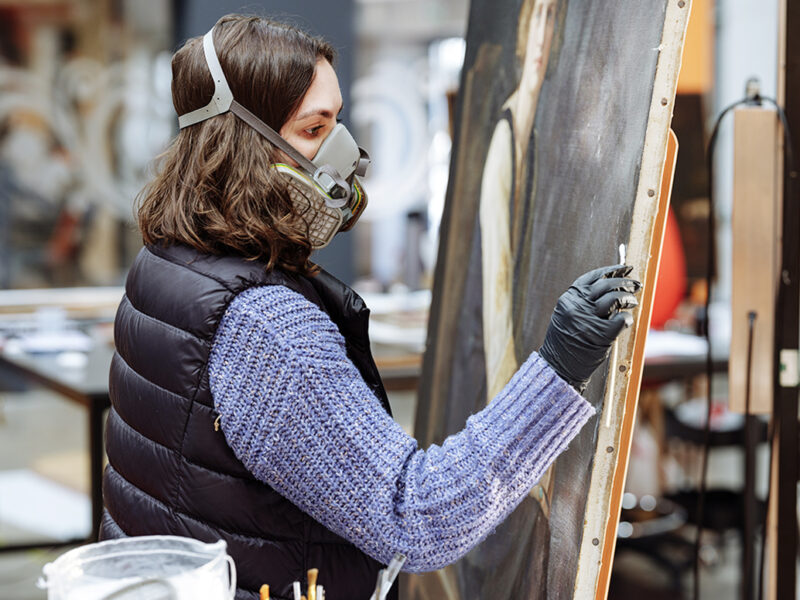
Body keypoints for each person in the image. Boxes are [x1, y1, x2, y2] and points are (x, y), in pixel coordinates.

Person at [100, 14, 640, 600]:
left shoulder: (166, 263)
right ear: (243, 143)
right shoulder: (267, 329)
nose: (346, 154)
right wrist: (559, 368)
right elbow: (418, 517)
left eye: (337, 121)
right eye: (314, 129)